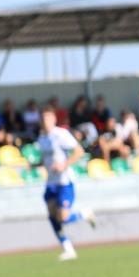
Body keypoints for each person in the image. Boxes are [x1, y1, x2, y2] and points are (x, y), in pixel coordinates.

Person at [36, 107, 96, 260]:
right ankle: (68, 248)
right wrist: (36, 164)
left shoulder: (60, 135)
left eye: (48, 118)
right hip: (51, 182)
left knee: (63, 217)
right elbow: (46, 159)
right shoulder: (42, 138)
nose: (45, 122)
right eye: (43, 119)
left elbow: (79, 151)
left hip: (64, 181)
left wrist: (64, 164)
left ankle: (84, 214)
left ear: (54, 120)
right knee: (52, 215)